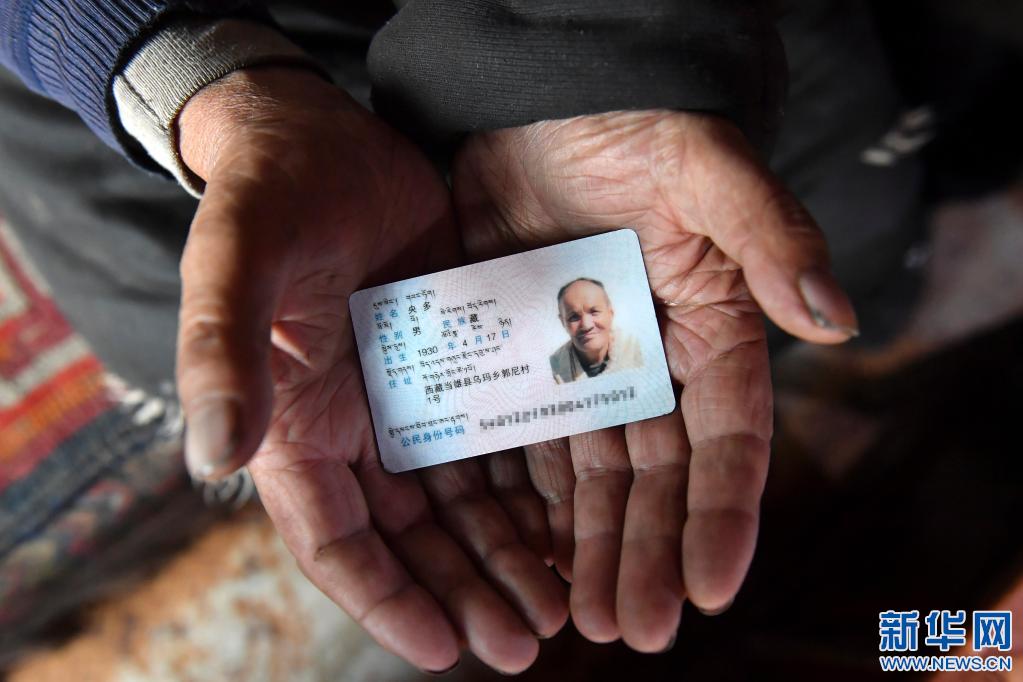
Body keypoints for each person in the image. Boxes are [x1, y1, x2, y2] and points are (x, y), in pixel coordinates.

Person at [0, 1, 894, 674]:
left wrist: (595, 58)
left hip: (600, 37)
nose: (587, 324)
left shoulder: (623, 349)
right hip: (158, 78)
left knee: (820, 225)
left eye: (591, 313)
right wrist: (206, 92)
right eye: (579, 316)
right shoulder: (562, 362)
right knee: (242, 351)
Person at [549, 278, 643, 383]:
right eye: (574, 317)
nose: (586, 325)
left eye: (594, 311)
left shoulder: (638, 350)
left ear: (610, 313)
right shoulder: (554, 369)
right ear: (563, 322)